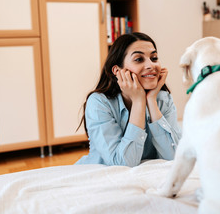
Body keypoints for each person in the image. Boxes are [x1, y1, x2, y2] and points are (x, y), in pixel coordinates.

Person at [75, 32, 182, 167]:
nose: (151, 65)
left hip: (145, 177)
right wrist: (138, 102)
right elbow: (122, 164)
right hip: (103, 176)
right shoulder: (99, 103)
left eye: (154, 58)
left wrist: (151, 102)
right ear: (117, 71)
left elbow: (175, 157)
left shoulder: (162, 99)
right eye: (139, 59)